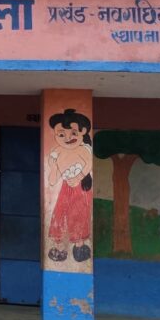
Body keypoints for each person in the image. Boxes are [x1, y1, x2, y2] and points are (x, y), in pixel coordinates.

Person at [46, 109, 93, 262]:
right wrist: (54, 165)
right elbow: (52, 179)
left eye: (73, 133)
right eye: (61, 134)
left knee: (79, 214)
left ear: (82, 132)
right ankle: (59, 247)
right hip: (65, 189)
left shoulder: (83, 150)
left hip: (81, 189)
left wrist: (79, 177)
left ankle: (79, 246)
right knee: (60, 213)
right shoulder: (58, 152)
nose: (67, 138)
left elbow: (88, 164)